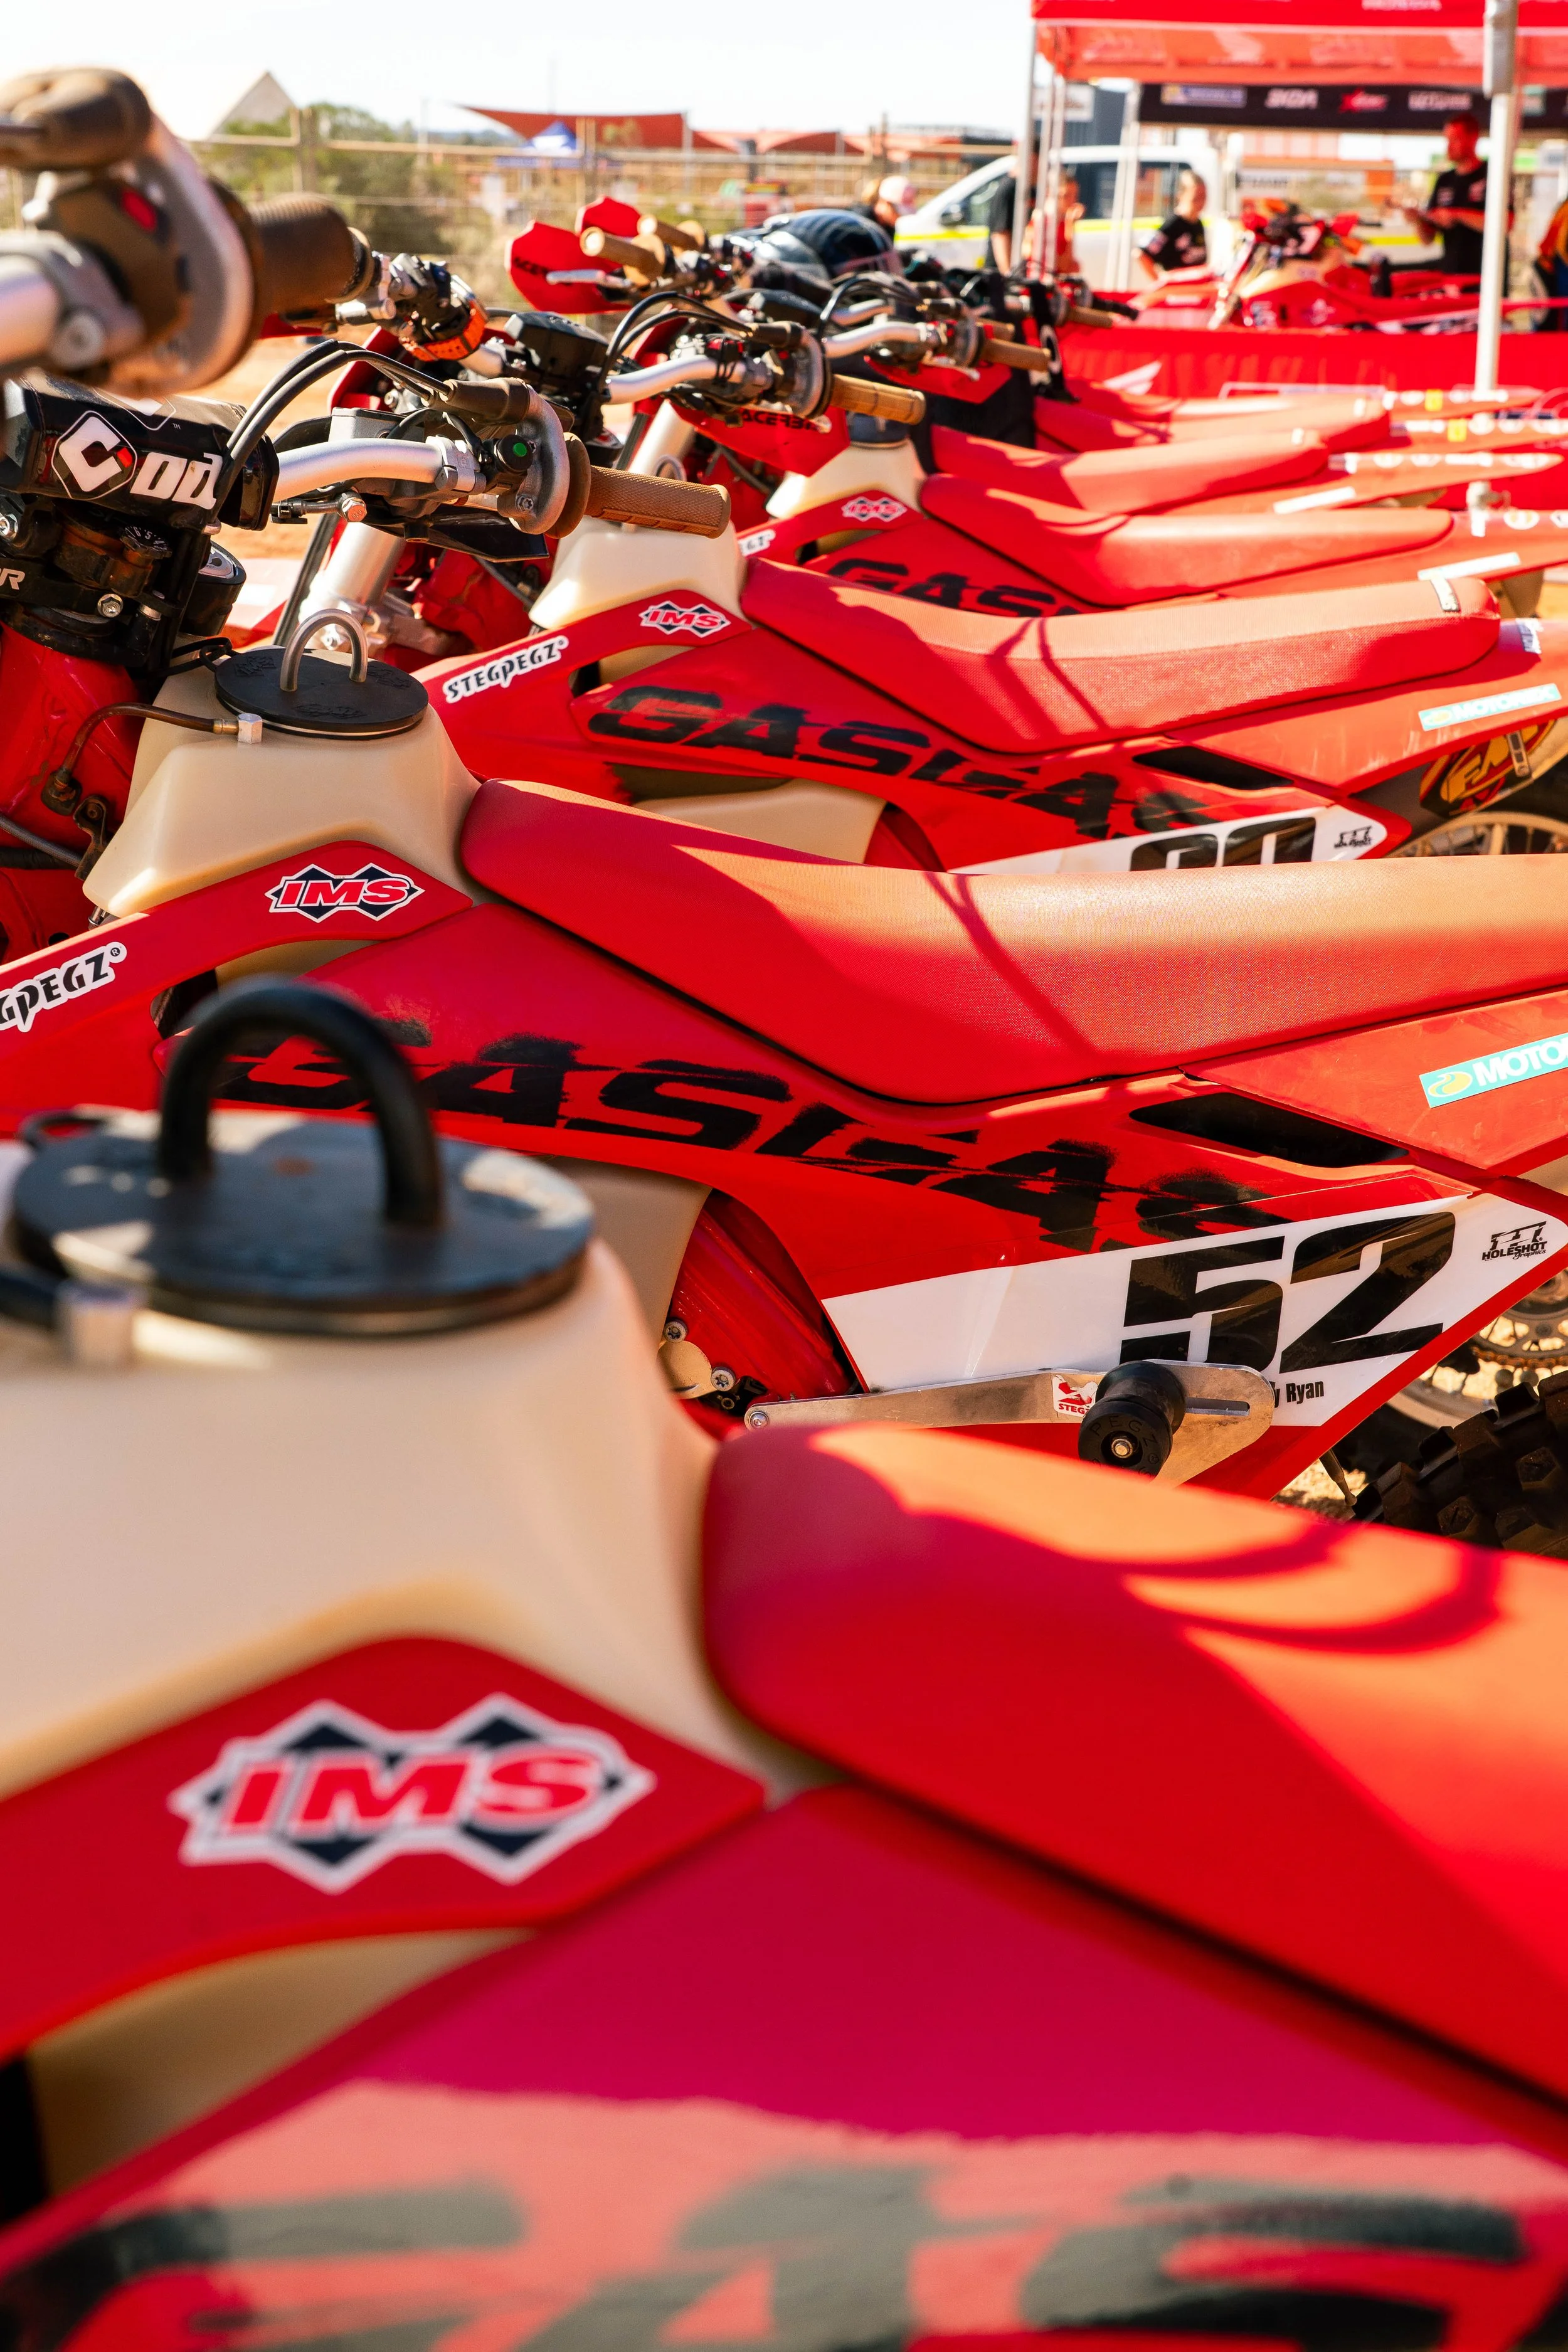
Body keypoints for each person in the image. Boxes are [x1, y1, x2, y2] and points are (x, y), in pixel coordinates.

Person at [1400, 110, 1493, 277]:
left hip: (1487, 277)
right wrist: (1418, 220)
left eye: (1455, 140)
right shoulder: (1444, 180)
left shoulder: (1492, 174)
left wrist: (1456, 215)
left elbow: (1505, 224)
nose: (1449, 147)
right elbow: (1428, 239)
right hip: (1451, 274)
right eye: (1447, 140)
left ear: (1473, 139)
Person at [1137, 169, 1208, 280]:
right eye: (1196, 198)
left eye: (1204, 197)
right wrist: (1159, 281)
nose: (1201, 203)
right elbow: (1141, 254)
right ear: (1181, 196)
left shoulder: (1198, 223)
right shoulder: (1173, 224)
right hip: (1177, 292)